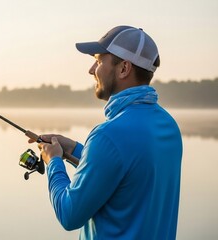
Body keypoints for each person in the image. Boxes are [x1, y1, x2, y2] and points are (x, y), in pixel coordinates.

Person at [32, 26, 183, 239]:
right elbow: (127, 171)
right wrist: (74, 149)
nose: (92, 69)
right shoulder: (169, 127)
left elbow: (69, 215)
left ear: (124, 68)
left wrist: (54, 161)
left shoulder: (107, 136)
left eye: (99, 61)